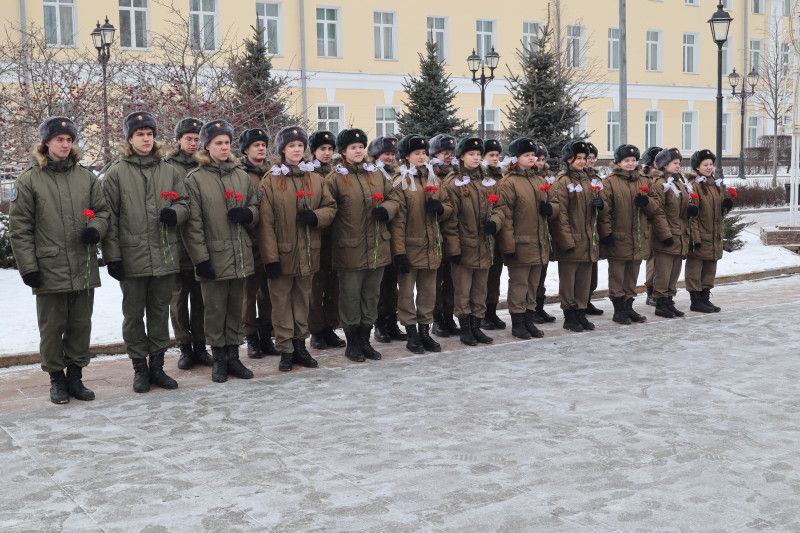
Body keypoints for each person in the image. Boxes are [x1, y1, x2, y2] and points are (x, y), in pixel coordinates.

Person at [10, 117, 110, 404]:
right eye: (59, 139)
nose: (65, 144)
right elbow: (21, 229)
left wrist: (96, 230)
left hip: (82, 264)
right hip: (49, 267)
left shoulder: (86, 177)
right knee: (52, 327)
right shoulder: (29, 180)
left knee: (81, 324)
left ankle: (76, 378)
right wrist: (28, 267)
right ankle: (57, 379)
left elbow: (102, 212)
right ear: (46, 143)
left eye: (69, 139)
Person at [102, 111, 186, 393]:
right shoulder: (117, 173)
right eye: (140, 134)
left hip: (164, 255)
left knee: (160, 312)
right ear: (129, 138)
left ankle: (158, 368)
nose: (146, 139)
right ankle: (140, 368)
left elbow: (185, 202)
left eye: (149, 134)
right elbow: (109, 217)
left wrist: (176, 213)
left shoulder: (169, 171)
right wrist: (112, 256)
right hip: (132, 257)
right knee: (134, 315)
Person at [183, 120, 259, 382]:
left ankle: (233, 357)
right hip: (213, 257)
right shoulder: (196, 179)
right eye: (219, 143)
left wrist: (248, 213)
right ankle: (218, 359)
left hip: (239, 253)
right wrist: (201, 259)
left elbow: (255, 206)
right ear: (207, 146)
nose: (224, 147)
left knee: (236, 308)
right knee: (215, 310)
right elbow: (193, 225)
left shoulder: (241, 176)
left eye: (227, 142)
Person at [259, 127, 337, 371]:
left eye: (300, 146)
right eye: (291, 146)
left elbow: (330, 206)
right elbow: (265, 222)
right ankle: (285, 349)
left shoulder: (314, 178)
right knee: (281, 303)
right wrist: (270, 258)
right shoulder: (271, 179)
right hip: (282, 254)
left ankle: (300, 345)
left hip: (307, 252)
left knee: (303, 300)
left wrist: (315, 217)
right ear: (282, 149)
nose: (296, 150)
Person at [325, 128, 398, 362]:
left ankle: (365, 341)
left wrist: (385, 211)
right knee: (350, 297)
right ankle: (352, 343)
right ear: (343, 152)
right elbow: (329, 209)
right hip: (350, 249)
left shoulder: (376, 174)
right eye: (353, 148)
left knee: (371, 296)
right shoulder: (334, 178)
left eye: (360, 147)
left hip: (377, 247)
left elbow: (394, 198)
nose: (358, 151)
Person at [442, 137, 510, 346]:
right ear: (461, 157)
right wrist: (454, 248)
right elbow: (449, 219)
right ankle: (465, 329)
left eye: (478, 154)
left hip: (485, 245)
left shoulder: (487, 181)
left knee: (480, 289)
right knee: (463, 290)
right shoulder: (453, 182)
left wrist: (495, 223)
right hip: (464, 245)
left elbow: (500, 207)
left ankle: (476, 326)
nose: (475, 158)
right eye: (471, 154)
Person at [389, 134, 447, 354]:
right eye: (417, 153)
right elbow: (398, 220)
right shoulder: (400, 181)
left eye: (424, 153)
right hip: (410, 246)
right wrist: (399, 252)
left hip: (431, 246)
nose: (422, 157)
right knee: (406, 293)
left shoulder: (433, 178)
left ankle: (425, 331)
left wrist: (441, 208)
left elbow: (448, 206)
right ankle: (411, 333)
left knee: (428, 292)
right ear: (407, 157)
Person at [497, 137, 560, 339]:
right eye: (527, 155)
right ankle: (517, 323)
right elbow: (505, 217)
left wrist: (550, 209)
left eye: (533, 155)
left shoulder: (539, 180)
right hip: (520, 243)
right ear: (515, 159)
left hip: (539, 241)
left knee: (534, 284)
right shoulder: (508, 183)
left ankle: (529, 319)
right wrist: (509, 245)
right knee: (519, 284)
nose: (532, 158)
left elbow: (556, 203)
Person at [598, 144, 666, 325]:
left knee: (632, 274)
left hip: (638, 237)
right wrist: (607, 234)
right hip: (618, 237)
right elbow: (605, 212)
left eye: (633, 160)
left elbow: (656, 206)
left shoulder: (643, 181)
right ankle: (619, 309)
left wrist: (647, 202)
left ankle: (629, 306)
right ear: (618, 162)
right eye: (626, 160)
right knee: (618, 274)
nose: (630, 163)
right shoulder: (609, 182)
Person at [165, 117, 212, 370]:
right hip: (177, 241)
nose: (193, 143)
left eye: (197, 139)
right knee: (179, 299)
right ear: (179, 140)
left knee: (201, 297)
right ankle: (184, 346)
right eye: (188, 139)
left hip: (202, 241)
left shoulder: (207, 165)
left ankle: (200, 345)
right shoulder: (169, 167)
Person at [551, 141, 601, 333]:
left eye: (584, 158)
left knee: (583, 280)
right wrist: (566, 240)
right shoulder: (563, 181)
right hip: (572, 239)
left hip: (588, 239)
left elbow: (596, 210)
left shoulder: (588, 180)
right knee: (569, 280)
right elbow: (560, 214)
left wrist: (599, 204)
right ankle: (569, 314)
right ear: (569, 159)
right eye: (578, 158)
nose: (582, 162)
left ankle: (580, 311)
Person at [238, 128, 276, 359]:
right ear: (245, 150)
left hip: (271, 242)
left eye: (263, 144)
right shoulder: (240, 174)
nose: (261, 148)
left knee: (268, 294)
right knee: (249, 294)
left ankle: (266, 336)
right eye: (256, 145)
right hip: (250, 242)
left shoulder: (274, 172)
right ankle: (251, 337)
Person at [307, 130, 346, 350]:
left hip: (336, 236)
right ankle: (316, 330)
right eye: (323, 149)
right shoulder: (307, 173)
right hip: (315, 235)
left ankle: (330, 326)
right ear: (314, 151)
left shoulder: (339, 173)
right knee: (315, 286)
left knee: (333, 285)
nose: (327, 153)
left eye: (330, 149)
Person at [649, 148, 697, 318]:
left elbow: (680, 207)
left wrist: (689, 210)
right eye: (674, 163)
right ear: (664, 165)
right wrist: (665, 234)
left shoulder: (677, 182)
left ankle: (669, 301)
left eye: (679, 163)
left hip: (679, 234)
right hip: (667, 236)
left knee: (674, 272)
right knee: (663, 272)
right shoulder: (659, 184)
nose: (678, 166)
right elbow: (657, 212)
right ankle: (660, 303)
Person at [368, 136, 407, 344]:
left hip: (398, 235)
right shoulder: (373, 175)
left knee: (392, 283)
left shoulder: (400, 174)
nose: (390, 157)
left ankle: (392, 321)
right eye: (386, 153)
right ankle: (380, 324)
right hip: (379, 234)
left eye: (392, 154)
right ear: (376, 156)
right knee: (380, 285)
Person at [685, 149, 734, 313]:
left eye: (711, 164)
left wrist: (726, 205)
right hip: (700, 235)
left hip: (714, 235)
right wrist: (695, 238)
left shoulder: (715, 185)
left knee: (710, 269)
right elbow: (693, 216)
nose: (709, 167)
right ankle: (696, 300)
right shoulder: (693, 185)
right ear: (697, 167)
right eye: (705, 164)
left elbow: (717, 212)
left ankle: (705, 298)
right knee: (695, 269)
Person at [428, 134, 461, 338]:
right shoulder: (432, 175)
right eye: (443, 153)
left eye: (450, 153)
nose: (448, 156)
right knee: (436, 281)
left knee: (451, 279)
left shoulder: (458, 174)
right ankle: (437, 318)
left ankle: (449, 315)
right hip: (436, 234)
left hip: (454, 232)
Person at [530, 141, 558, 325]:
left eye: (542, 159)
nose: (539, 163)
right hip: (532, 232)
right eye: (536, 159)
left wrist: (551, 209)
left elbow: (557, 202)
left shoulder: (548, 178)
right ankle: (530, 310)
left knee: (542, 274)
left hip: (546, 232)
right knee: (531, 277)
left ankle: (539, 307)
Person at [481, 139, 507, 330]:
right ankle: (481, 314)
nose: (495, 159)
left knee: (495, 276)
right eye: (491, 155)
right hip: (482, 235)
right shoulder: (480, 177)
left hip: (498, 233)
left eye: (498, 155)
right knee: (483, 277)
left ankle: (491, 311)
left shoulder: (501, 177)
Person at [641, 145, 663, 307]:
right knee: (653, 260)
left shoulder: (668, 177)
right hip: (649, 225)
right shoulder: (646, 178)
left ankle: (661, 291)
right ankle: (651, 291)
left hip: (665, 223)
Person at [584, 141, 604, 316]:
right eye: (586, 158)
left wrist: (601, 204)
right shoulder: (572, 179)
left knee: (593, 271)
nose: (589, 161)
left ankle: (588, 299)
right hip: (582, 228)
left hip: (595, 230)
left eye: (592, 158)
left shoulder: (597, 179)